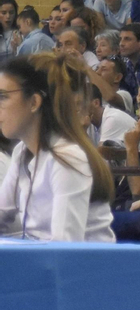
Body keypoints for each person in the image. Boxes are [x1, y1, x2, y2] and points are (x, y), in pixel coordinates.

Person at [0, 54, 114, 242]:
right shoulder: (22, 152)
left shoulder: (67, 159)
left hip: (82, 270)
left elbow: (63, 251)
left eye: (3, 97)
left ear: (34, 102)